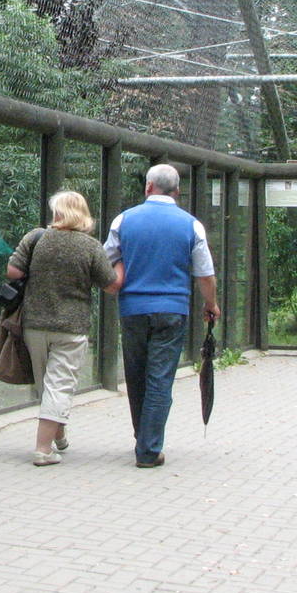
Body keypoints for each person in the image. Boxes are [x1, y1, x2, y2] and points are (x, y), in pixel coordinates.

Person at [104, 164, 221, 468]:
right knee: (160, 379)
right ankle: (149, 447)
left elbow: (107, 263)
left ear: (148, 187)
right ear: (177, 191)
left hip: (132, 310)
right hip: (172, 310)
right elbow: (205, 273)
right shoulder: (191, 225)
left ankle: (142, 438)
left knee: (136, 375)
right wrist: (211, 304)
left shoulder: (123, 220)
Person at [5, 191, 117, 467]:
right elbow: (110, 284)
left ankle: (59, 436)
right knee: (60, 385)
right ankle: (43, 449)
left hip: (34, 324)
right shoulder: (90, 247)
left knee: (47, 384)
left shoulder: (36, 238)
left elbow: (13, 272)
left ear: (58, 213)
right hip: (71, 326)